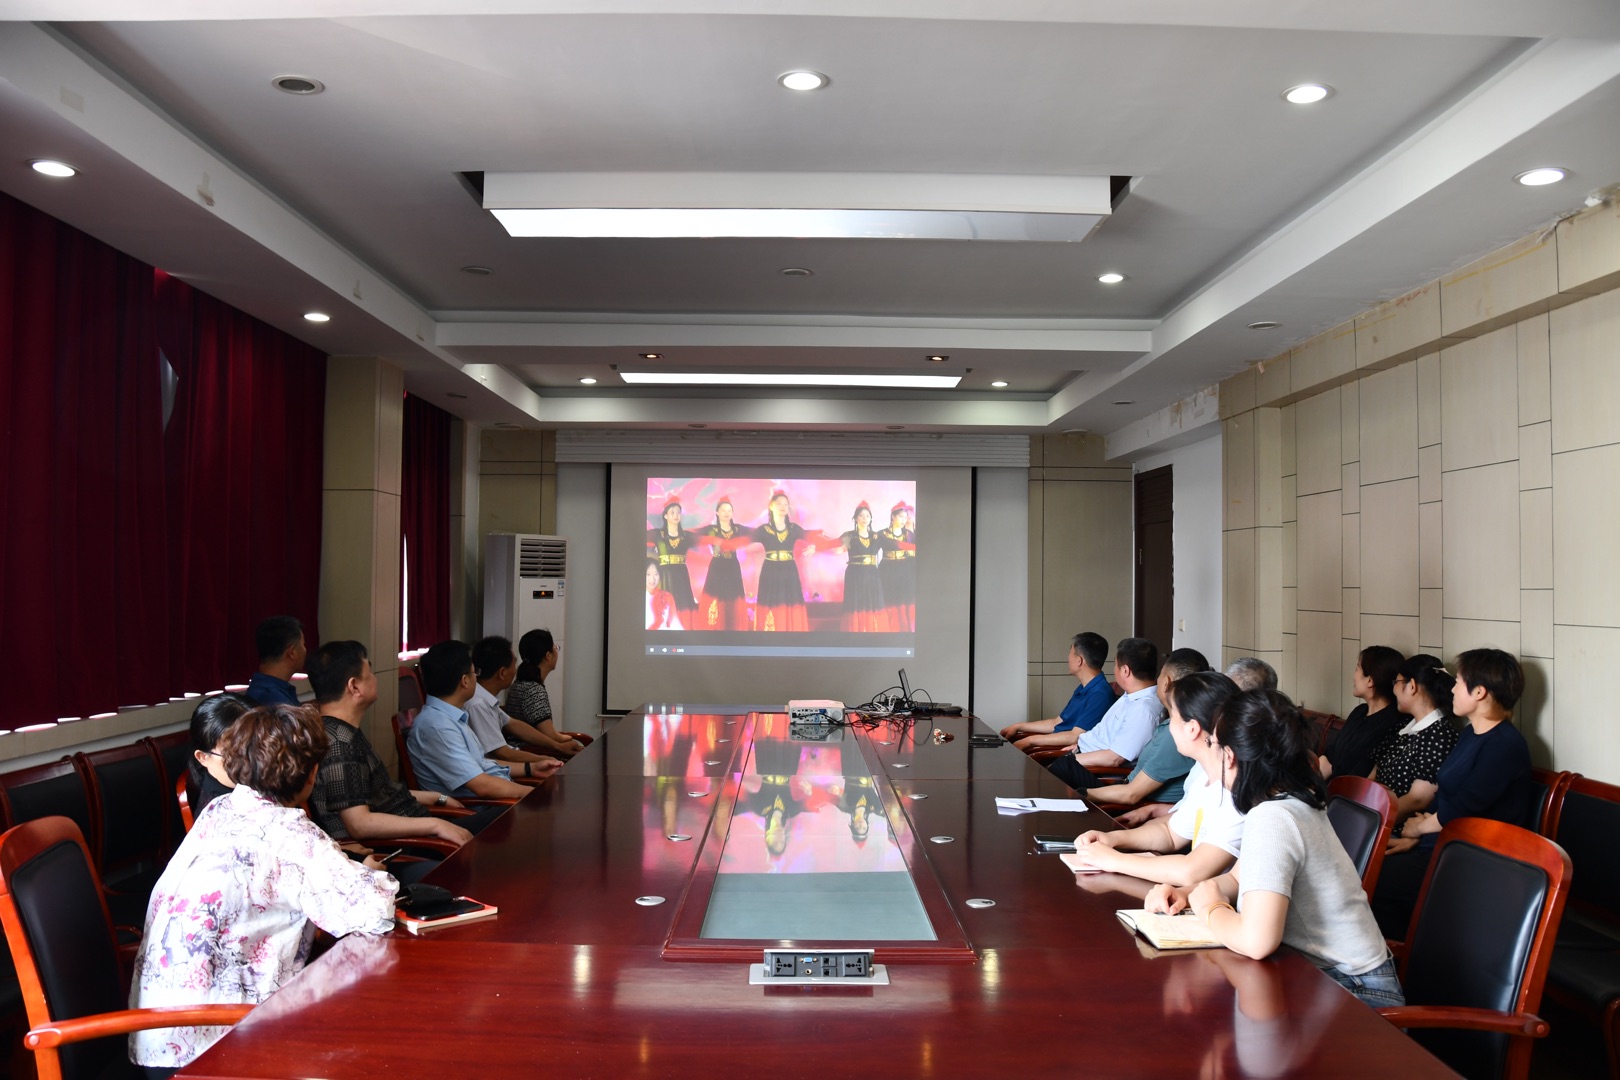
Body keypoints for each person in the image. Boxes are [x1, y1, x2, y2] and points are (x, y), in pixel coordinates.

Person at [129, 704, 398, 1072]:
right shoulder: (291, 832)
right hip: (215, 1047)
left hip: (157, 1037)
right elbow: (373, 911)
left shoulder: (220, 809)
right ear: (311, 774)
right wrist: (367, 873)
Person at [1145, 690, 1404, 1009]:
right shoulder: (1288, 799)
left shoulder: (1274, 817)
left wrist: (1210, 908)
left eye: (1213, 744)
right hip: (1324, 977)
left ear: (1230, 757)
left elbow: (1257, 941)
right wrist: (1189, 893)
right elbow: (1238, 879)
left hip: (1356, 993)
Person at [1371, 649, 1535, 937]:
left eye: (1458, 682)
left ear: (1480, 692)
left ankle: (1401, 957)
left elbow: (1463, 808)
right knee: (1367, 867)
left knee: (1374, 880)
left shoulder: (1505, 745)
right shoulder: (1471, 734)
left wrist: (1418, 829)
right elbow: (1446, 796)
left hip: (1476, 860)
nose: (1453, 689)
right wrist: (1417, 838)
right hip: (1444, 847)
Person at [305, 640, 483, 866]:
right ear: (354, 686)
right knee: (496, 835)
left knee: (498, 822)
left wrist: (437, 797)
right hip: (407, 846)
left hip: (417, 827)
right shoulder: (340, 742)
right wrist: (436, 825)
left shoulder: (340, 731)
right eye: (370, 673)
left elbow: (377, 792)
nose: (375, 678)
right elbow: (359, 824)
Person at [1069, 671, 1243, 886]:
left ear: (1192, 729)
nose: (1168, 725)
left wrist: (1114, 860)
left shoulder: (1237, 789)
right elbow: (1169, 833)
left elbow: (1191, 872)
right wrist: (1112, 839)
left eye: (1172, 716)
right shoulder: (1205, 776)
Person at [406, 640, 555, 800]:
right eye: (474, 672)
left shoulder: (453, 716)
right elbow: (482, 786)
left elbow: (482, 764)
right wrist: (533, 794)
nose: (476, 678)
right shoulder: (438, 727)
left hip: (495, 800)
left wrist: (531, 768)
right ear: (465, 681)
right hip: (481, 808)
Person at [1088, 647, 1210, 811]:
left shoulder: (1175, 735)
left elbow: (1131, 794)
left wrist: (1081, 794)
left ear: (1166, 682)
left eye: (1160, 675)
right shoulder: (1175, 724)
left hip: (1131, 805)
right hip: (1122, 789)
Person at [1043, 637, 1163, 791]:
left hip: (1099, 772)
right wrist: (1080, 746)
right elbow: (1104, 733)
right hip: (1085, 755)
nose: (1114, 670)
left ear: (1125, 671)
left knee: (1048, 774)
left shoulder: (1143, 710)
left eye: (1115, 665)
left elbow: (1114, 759)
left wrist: (1072, 758)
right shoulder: (1130, 696)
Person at [1367, 654, 1459, 822]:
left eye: (1396, 682)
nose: (1394, 689)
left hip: (1393, 826)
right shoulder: (1402, 726)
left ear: (1412, 686)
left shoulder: (1440, 736)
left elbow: (1417, 800)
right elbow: (1373, 776)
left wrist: (1370, 820)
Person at [999, 631, 1113, 750]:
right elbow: (1057, 722)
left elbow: (1074, 737)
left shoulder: (1100, 694)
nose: (1068, 658)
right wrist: (1019, 726)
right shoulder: (1085, 687)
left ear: (1079, 660)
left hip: (1063, 753)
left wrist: (1030, 740)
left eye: (1070, 653)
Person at [467, 635, 563, 772]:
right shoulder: (478, 704)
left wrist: (556, 746)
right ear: (502, 673)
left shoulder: (485, 698)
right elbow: (503, 753)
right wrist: (545, 759)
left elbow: (514, 724)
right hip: (499, 771)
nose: (516, 669)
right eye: (514, 664)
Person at [1319, 645, 1405, 781]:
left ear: (1370, 680)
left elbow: (1363, 774)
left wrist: (1330, 772)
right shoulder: (1359, 712)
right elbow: (1331, 754)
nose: (1354, 676)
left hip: (1349, 791)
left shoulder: (1393, 724)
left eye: (1357, 668)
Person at [504, 628, 585, 758]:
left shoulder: (520, 683)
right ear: (548, 656)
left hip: (528, 749)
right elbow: (550, 735)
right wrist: (570, 738)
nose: (557, 652)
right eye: (556, 648)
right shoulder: (534, 689)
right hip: (531, 753)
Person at [745, 490, 814, 632]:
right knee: (770, 602)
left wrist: (813, 546)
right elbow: (745, 539)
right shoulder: (764, 529)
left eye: (785, 504)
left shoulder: (793, 528)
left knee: (790, 601)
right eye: (779, 503)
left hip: (789, 570)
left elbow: (810, 537)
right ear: (771, 506)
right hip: (770, 570)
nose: (783, 506)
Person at [186, 693, 253, 817]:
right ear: (203, 757)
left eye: (256, 747)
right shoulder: (216, 815)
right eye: (235, 754)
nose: (250, 761)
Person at [693, 496, 750, 630]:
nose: (726, 513)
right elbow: (693, 535)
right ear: (717, 512)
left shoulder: (737, 529)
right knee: (715, 597)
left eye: (729, 510)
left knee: (733, 598)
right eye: (723, 510)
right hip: (717, 566)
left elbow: (756, 534)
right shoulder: (711, 530)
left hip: (733, 566)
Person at [832, 501, 887, 631]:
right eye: (861, 516)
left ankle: (873, 631)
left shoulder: (876, 536)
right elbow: (833, 544)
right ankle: (856, 631)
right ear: (856, 518)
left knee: (873, 603)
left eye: (867, 516)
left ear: (871, 518)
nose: (864, 518)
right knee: (856, 602)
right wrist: (817, 547)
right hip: (855, 574)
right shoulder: (850, 536)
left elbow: (893, 544)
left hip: (872, 575)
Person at [646, 496, 698, 623]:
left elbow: (704, 540)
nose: (676, 515)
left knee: (683, 605)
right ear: (665, 516)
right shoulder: (657, 534)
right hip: (665, 575)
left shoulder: (685, 536)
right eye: (672, 512)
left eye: (678, 512)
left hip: (681, 574)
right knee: (664, 606)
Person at [245, 615, 306, 706]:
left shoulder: (264, 690)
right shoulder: (277, 703)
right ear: (292, 653)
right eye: (303, 644)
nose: (305, 650)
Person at [877, 501, 916, 631]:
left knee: (904, 600)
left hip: (904, 568)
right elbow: (875, 548)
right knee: (889, 598)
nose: (904, 520)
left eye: (905, 517)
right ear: (893, 516)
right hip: (887, 569)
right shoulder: (882, 534)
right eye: (901, 516)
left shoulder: (909, 534)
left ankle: (905, 629)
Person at [645, 559, 683, 629]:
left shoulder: (667, 596)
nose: (652, 579)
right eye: (648, 574)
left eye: (656, 574)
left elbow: (674, 623)